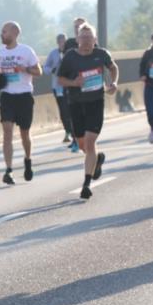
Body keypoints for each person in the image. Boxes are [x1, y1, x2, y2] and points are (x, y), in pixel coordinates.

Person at [58, 23, 119, 200]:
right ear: (77, 39)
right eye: (82, 37)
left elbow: (113, 67)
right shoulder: (70, 57)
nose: (85, 41)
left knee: (90, 142)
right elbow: (60, 79)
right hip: (75, 103)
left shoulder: (101, 54)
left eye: (89, 37)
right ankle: (97, 159)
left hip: (95, 103)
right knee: (83, 144)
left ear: (95, 40)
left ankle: (86, 184)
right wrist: (74, 83)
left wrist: (113, 83)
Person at [0, 22, 42, 184]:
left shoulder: (26, 51)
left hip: (24, 96)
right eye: (1, 31)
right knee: (7, 132)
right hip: (7, 96)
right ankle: (9, 170)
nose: (1, 34)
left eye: (4, 31)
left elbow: (39, 71)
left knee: (24, 134)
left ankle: (28, 160)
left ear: (14, 33)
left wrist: (25, 70)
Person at [44, 33, 77, 151]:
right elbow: (45, 68)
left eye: (64, 41)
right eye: (60, 42)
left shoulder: (72, 52)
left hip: (70, 85)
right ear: (57, 43)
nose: (62, 43)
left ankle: (75, 136)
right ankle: (67, 131)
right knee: (63, 110)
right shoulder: (53, 53)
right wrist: (52, 69)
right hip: (58, 86)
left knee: (71, 110)